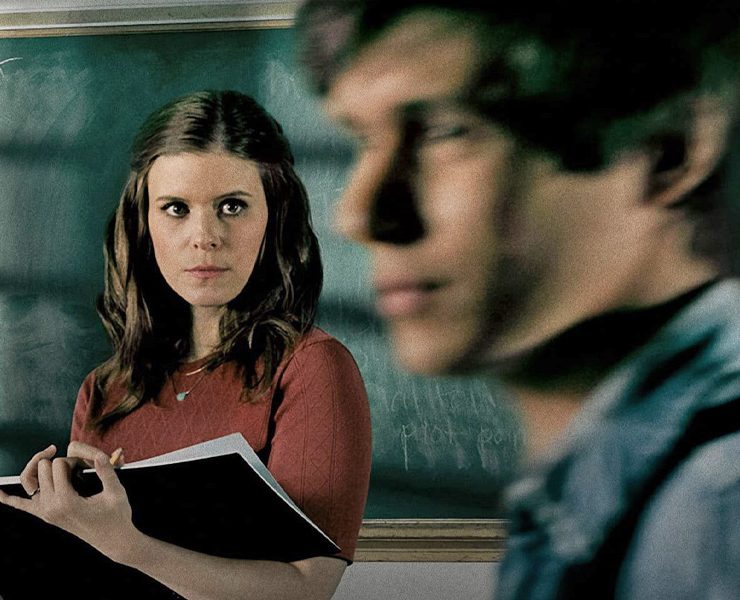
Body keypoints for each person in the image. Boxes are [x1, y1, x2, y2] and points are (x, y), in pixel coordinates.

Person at [296, 2, 740, 598]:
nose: (359, 214)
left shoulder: (716, 505)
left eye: (448, 131)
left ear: (669, 152)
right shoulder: (613, 495)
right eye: (363, 140)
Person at [0, 90, 372, 600]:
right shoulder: (106, 389)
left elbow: (307, 589)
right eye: (176, 208)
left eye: (232, 206)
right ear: (144, 223)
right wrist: (52, 521)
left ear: (274, 217)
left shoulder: (312, 368)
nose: (205, 236)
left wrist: (130, 546)